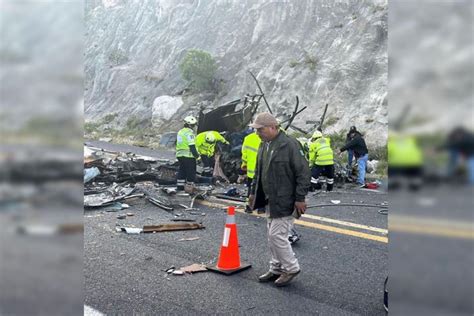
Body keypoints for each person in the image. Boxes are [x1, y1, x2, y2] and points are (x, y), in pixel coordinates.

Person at [248, 112, 311, 287]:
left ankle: (291, 268)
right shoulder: (264, 145)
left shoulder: (289, 144)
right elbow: (258, 173)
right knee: (271, 235)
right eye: (256, 130)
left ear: (273, 127)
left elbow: (303, 173)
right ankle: (276, 267)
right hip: (270, 199)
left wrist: (300, 198)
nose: (257, 133)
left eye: (260, 129)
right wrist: (253, 193)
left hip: (286, 200)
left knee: (277, 235)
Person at [240, 130, 263, 213]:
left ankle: (249, 207)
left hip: (251, 170)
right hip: (262, 169)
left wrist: (244, 163)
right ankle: (261, 208)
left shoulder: (248, 138)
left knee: (250, 189)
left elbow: (244, 153)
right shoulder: (267, 138)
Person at [176, 116, 200, 192]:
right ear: (190, 125)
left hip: (180, 155)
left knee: (182, 170)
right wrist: (197, 157)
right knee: (191, 172)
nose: (194, 127)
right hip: (189, 156)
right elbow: (192, 146)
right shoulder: (189, 133)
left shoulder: (180, 132)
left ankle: (180, 187)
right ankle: (189, 188)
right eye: (193, 125)